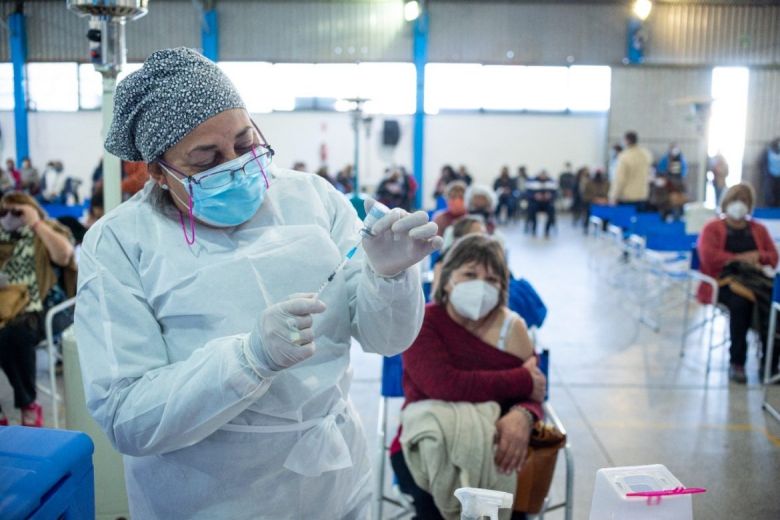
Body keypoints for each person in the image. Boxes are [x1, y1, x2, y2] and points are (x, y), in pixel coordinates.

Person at [73, 48, 443, 519]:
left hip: (332, 481)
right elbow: (128, 418)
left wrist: (390, 276)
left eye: (246, 145)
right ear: (158, 172)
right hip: (209, 495)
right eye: (205, 160)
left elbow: (386, 339)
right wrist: (248, 360)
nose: (235, 165)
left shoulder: (311, 198)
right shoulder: (122, 242)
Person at [390, 234, 545, 520]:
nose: (480, 286)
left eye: (492, 279)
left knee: (513, 496)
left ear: (502, 288)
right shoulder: (423, 321)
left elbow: (535, 395)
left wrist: (524, 414)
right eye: (470, 274)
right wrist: (521, 379)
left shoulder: (512, 328)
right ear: (448, 279)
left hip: (502, 443)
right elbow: (444, 384)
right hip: (425, 441)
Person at [0, 192, 75, 426]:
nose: (9, 217)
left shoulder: (48, 229)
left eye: (16, 212)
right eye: (3, 212)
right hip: (6, 306)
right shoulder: (3, 239)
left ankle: (28, 404)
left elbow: (64, 256)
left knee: (14, 333)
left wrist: (35, 223)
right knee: (7, 333)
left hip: (43, 307)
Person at [697, 184, 779, 383]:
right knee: (741, 304)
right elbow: (708, 257)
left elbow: (773, 256)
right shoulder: (712, 227)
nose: (739, 205)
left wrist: (758, 256)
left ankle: (769, 363)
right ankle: (737, 362)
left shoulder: (758, 229)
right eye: (736, 199)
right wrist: (738, 258)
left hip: (754, 281)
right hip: (722, 281)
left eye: (744, 200)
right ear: (726, 202)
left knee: (774, 305)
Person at [609, 131, 651, 209]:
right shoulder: (646, 154)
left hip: (627, 197)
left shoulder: (624, 156)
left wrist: (613, 196)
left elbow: (620, 179)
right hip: (642, 195)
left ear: (626, 141)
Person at [525, 171, 557, 238]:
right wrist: (535, 196)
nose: (543, 177)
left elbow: (556, 194)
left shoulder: (551, 182)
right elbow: (527, 194)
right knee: (532, 208)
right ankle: (534, 229)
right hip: (536, 202)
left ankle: (547, 230)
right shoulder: (533, 182)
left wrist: (550, 196)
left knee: (551, 209)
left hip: (547, 203)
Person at [582, 169, 610, 233]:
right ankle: (586, 227)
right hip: (592, 203)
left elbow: (609, 194)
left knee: (607, 211)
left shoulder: (607, 183)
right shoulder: (589, 184)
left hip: (604, 203)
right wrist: (594, 199)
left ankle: (604, 228)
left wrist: (605, 200)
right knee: (588, 210)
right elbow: (585, 196)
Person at [761, 138, 780, 207]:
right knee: (769, 194)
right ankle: (769, 207)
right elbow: (763, 163)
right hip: (770, 176)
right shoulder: (768, 151)